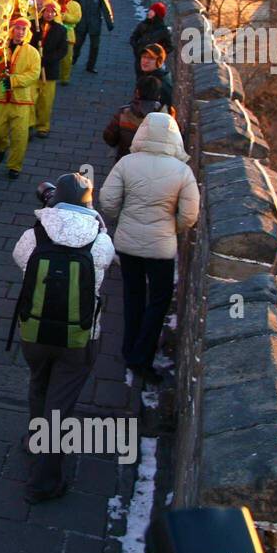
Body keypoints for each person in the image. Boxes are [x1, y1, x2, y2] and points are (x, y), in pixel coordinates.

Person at [10, 173, 115, 503]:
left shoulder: (33, 235)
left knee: (39, 383)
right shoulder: (100, 242)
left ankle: (33, 438)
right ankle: (44, 483)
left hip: (35, 332)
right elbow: (104, 267)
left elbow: (19, 260)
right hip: (78, 337)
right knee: (61, 405)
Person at [99, 113, 200, 383]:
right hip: (161, 248)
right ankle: (141, 357)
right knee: (158, 301)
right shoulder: (182, 171)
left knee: (133, 296)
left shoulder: (127, 163)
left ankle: (128, 348)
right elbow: (189, 215)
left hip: (128, 245)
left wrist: (123, 219)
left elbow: (107, 200)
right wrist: (171, 228)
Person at [0, 17, 40, 179]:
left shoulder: (32, 53)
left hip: (21, 100)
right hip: (0, 97)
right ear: (11, 30)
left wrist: (13, 81)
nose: (19, 32)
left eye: (23, 29)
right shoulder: (0, 49)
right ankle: (1, 146)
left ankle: (15, 166)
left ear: (27, 32)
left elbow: (34, 74)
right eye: (17, 29)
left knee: (19, 135)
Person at [102, 74, 170, 159]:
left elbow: (109, 137)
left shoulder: (123, 114)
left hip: (125, 162)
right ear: (159, 96)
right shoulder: (168, 120)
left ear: (137, 93)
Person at [30, 1, 68, 139]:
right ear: (42, 12)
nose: (49, 14)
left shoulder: (61, 30)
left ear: (56, 14)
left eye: (52, 12)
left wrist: (49, 59)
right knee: (31, 99)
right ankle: (29, 124)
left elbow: (63, 50)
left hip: (49, 71)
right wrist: (35, 38)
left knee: (46, 101)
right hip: (32, 69)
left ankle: (43, 126)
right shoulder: (34, 25)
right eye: (47, 11)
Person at [73, 0, 114, 74]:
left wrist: (110, 23)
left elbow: (106, 9)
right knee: (77, 44)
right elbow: (72, 6)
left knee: (94, 46)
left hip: (94, 24)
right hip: (81, 23)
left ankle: (91, 66)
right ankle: (72, 60)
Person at [135, 43, 175, 108]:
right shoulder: (149, 75)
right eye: (144, 57)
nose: (145, 61)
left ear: (159, 61)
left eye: (151, 58)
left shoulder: (157, 83)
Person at [57, 0, 82, 86]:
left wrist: (65, 17)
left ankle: (65, 77)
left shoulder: (75, 5)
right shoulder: (55, 3)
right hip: (56, 34)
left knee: (67, 58)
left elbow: (77, 18)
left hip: (68, 35)